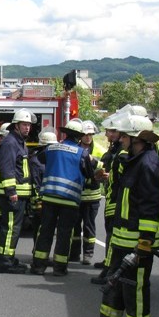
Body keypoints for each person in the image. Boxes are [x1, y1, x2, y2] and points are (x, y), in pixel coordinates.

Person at [81, 114, 159, 317]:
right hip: (122, 236)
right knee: (115, 284)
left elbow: (149, 206)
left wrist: (145, 244)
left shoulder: (148, 163)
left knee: (134, 288)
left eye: (125, 135)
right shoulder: (133, 159)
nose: (121, 138)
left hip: (138, 241)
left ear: (134, 137)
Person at [92, 105, 148, 284]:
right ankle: (110, 268)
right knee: (112, 237)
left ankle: (111, 271)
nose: (108, 134)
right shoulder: (119, 149)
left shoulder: (125, 152)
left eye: (112, 131)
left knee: (114, 238)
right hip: (114, 199)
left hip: (119, 202)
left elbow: (125, 178)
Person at [30, 118, 94, 276]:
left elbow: (40, 159)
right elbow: (89, 175)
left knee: (45, 232)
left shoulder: (51, 148)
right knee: (64, 234)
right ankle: (59, 268)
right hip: (70, 200)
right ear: (79, 137)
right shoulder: (82, 153)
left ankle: (38, 266)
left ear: (65, 133)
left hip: (49, 197)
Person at [0, 109, 35, 274]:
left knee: (12, 227)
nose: (27, 128)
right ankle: (6, 262)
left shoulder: (18, 141)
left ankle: (8, 256)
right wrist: (11, 191)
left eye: (29, 125)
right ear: (16, 125)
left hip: (19, 192)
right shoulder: (11, 142)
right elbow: (7, 168)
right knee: (11, 227)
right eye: (24, 124)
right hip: (13, 193)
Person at [69, 120, 106, 266]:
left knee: (89, 226)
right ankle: (74, 254)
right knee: (75, 226)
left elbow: (104, 171)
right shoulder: (74, 149)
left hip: (92, 196)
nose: (88, 137)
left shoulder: (100, 150)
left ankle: (88, 254)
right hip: (77, 195)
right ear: (80, 136)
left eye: (90, 134)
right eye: (85, 134)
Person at [29, 129, 58, 252]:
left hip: (49, 199)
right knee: (40, 228)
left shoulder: (50, 159)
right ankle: (37, 252)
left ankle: (41, 252)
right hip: (39, 201)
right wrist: (38, 201)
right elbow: (36, 182)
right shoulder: (36, 161)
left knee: (47, 229)